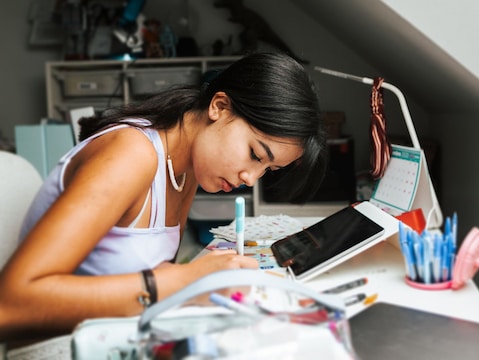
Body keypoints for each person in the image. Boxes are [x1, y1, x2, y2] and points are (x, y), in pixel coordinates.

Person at [0, 52, 327, 350]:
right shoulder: (130, 155)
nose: (250, 178)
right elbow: (9, 306)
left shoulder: (184, 169)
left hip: (113, 336)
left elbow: (150, 275)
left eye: (267, 170)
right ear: (219, 107)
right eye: (255, 154)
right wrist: (182, 280)